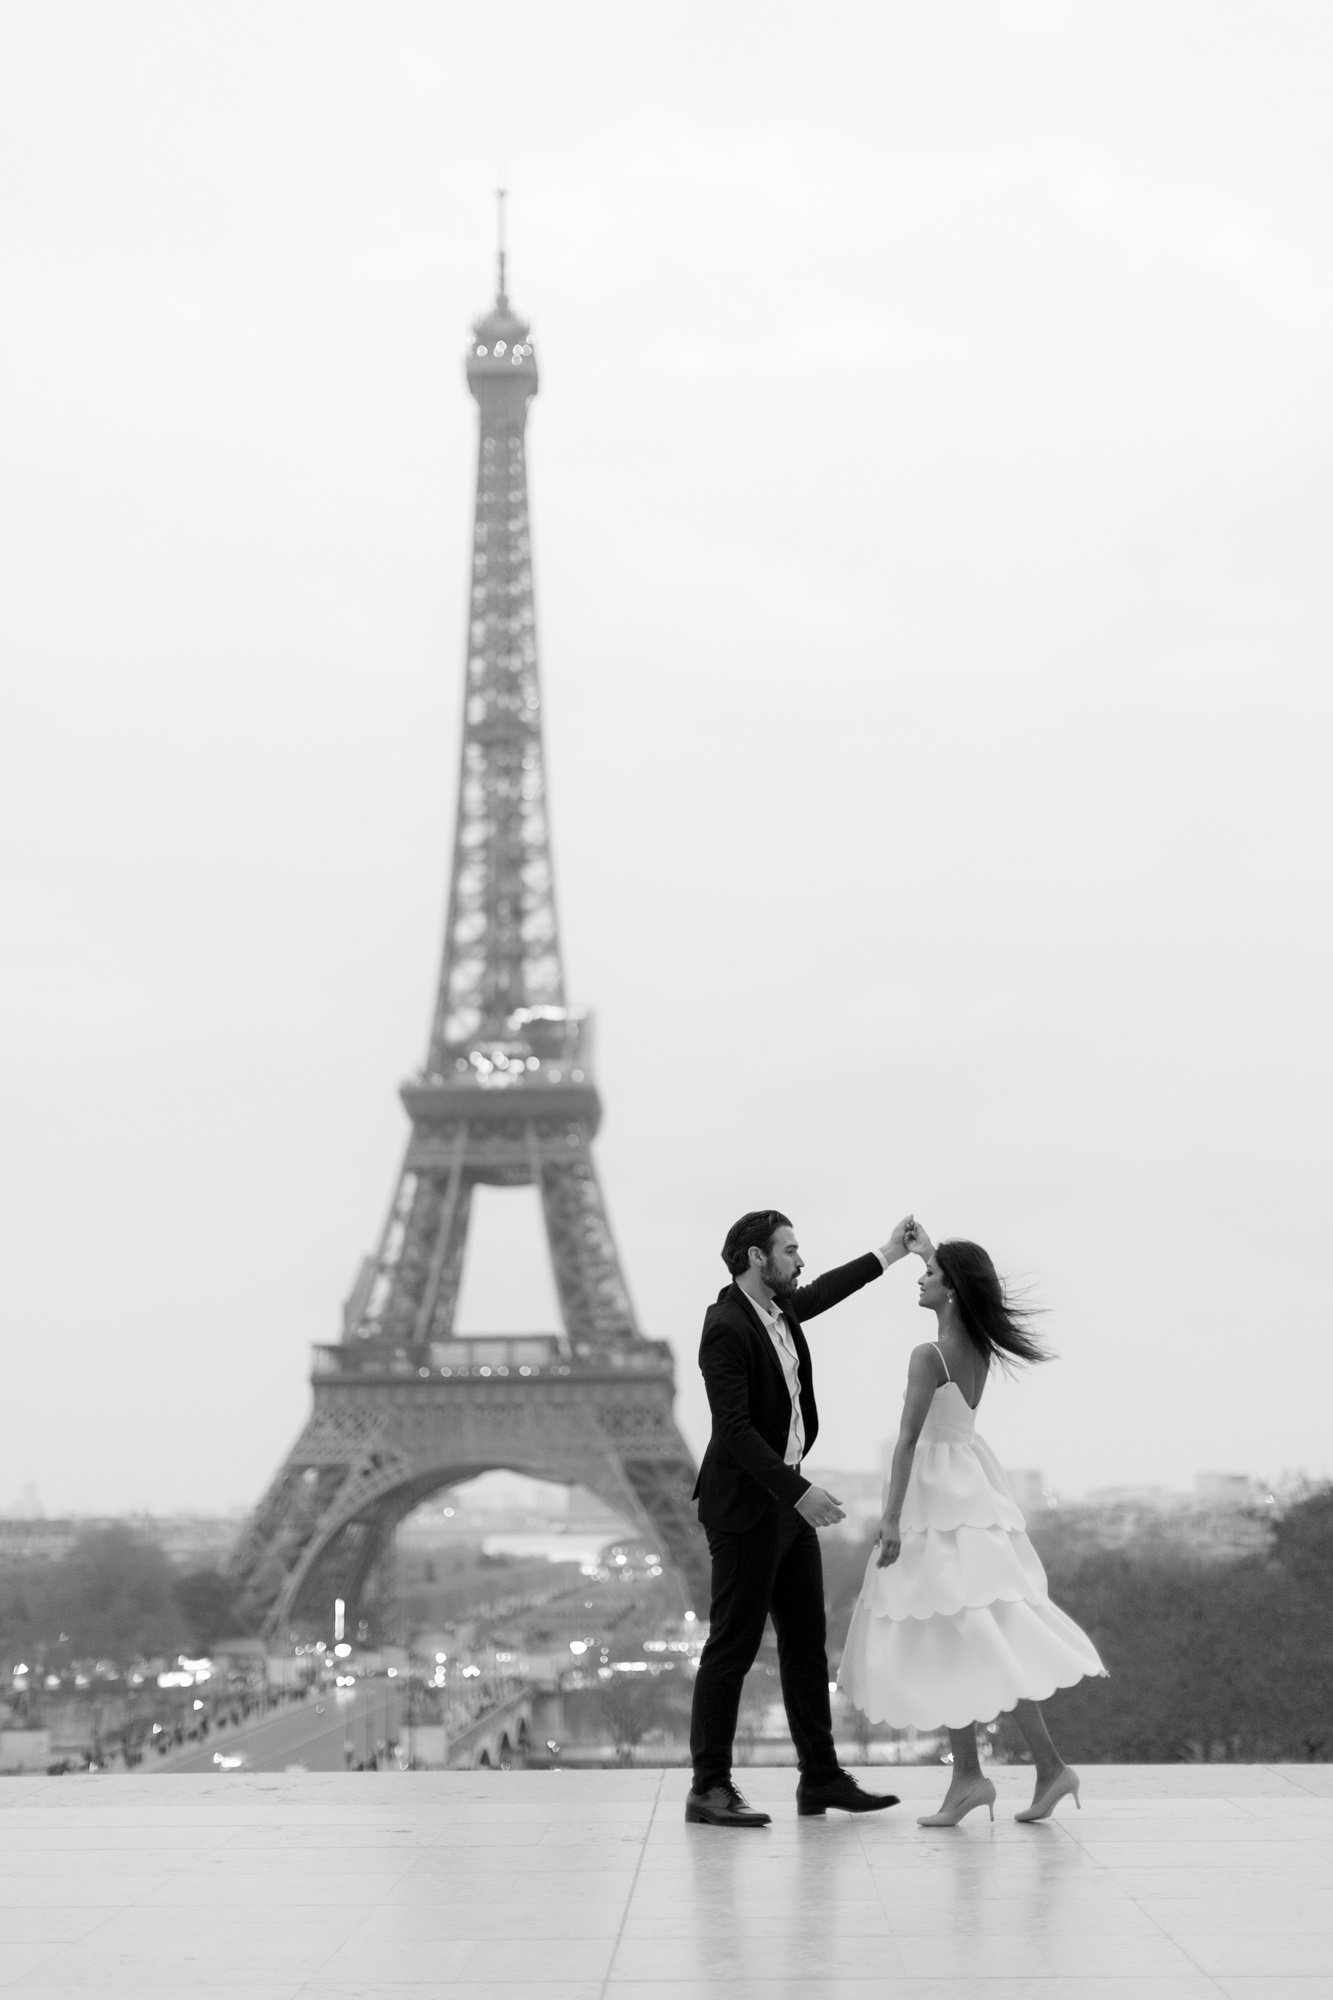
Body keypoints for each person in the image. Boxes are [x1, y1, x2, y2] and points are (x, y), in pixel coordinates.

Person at [838, 1224, 1106, 1825]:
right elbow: (960, 1287)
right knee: (967, 1632)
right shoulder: (975, 1347)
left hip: (932, 1500)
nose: (921, 1276)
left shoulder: (927, 1355)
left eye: (929, 1273)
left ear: (952, 1289)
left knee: (951, 1632)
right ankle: (995, 1774)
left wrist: (889, 1520)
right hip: (970, 1492)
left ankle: (992, 1773)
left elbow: (906, 1442)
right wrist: (931, 1249)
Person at [685, 1208, 918, 1828]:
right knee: (731, 1650)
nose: (799, 1260)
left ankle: (820, 1779)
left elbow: (824, 1291)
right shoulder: (726, 1328)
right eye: (789, 1250)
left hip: (784, 1506)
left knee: (805, 1648)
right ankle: (708, 1788)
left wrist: (891, 1252)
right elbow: (731, 1431)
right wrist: (799, 1491)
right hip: (747, 1509)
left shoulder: (780, 1310)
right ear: (757, 1258)